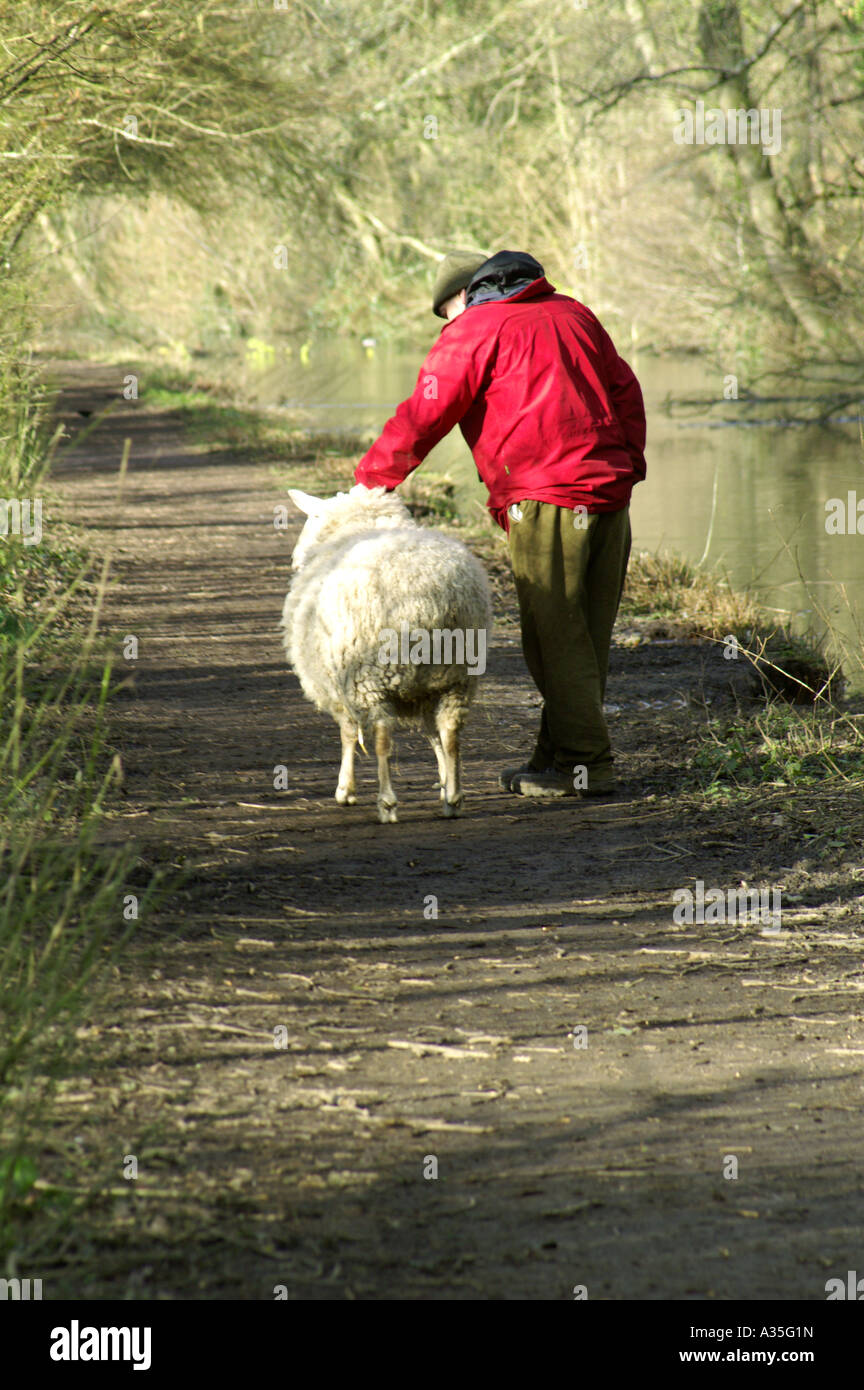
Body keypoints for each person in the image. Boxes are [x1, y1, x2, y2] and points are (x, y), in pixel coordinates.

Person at [353, 248, 647, 798]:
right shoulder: (574, 314)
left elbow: (423, 415)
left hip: (545, 498)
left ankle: (588, 765)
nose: (448, 325)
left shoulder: (474, 330)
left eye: (446, 314)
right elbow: (626, 392)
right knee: (585, 636)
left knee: (554, 639)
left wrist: (368, 484)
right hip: (609, 495)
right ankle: (556, 757)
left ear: (463, 296)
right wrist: (628, 466)